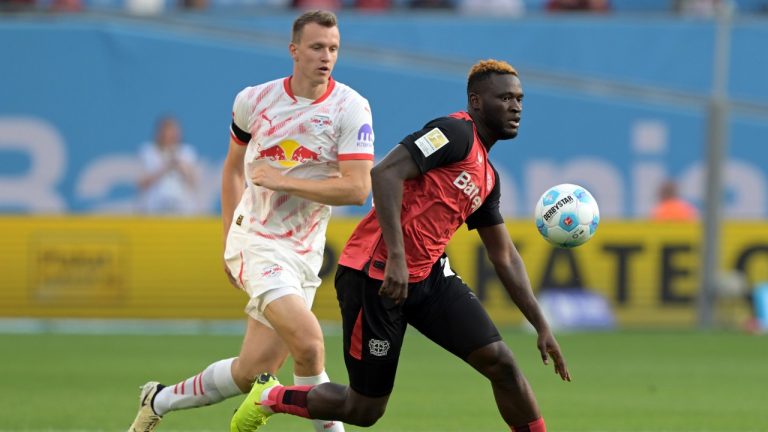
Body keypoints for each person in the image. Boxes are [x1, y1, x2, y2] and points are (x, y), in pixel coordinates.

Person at [231, 59, 570, 432]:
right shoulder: (453, 132)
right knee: (365, 410)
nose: (516, 106)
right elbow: (384, 173)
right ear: (476, 101)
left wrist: (541, 324)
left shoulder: (488, 178)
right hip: (375, 276)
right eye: (505, 97)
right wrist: (396, 257)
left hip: (427, 278)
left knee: (501, 363)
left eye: (520, 98)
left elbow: (503, 254)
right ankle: (271, 397)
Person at [127, 10, 375, 432]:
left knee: (250, 370)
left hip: (304, 251)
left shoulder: (351, 107)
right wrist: (229, 241)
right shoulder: (254, 101)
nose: (326, 56)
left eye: (333, 48)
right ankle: (295, 412)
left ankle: (158, 399)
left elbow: (356, 190)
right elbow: (231, 169)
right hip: (256, 240)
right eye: (317, 47)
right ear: (294, 50)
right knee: (310, 344)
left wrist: (284, 180)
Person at [136, 116, 201, 215]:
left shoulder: (187, 152)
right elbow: (141, 183)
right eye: (166, 132)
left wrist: (181, 166)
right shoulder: (148, 152)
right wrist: (165, 167)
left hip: (182, 209)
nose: (170, 136)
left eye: (173, 132)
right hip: (155, 208)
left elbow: (195, 182)